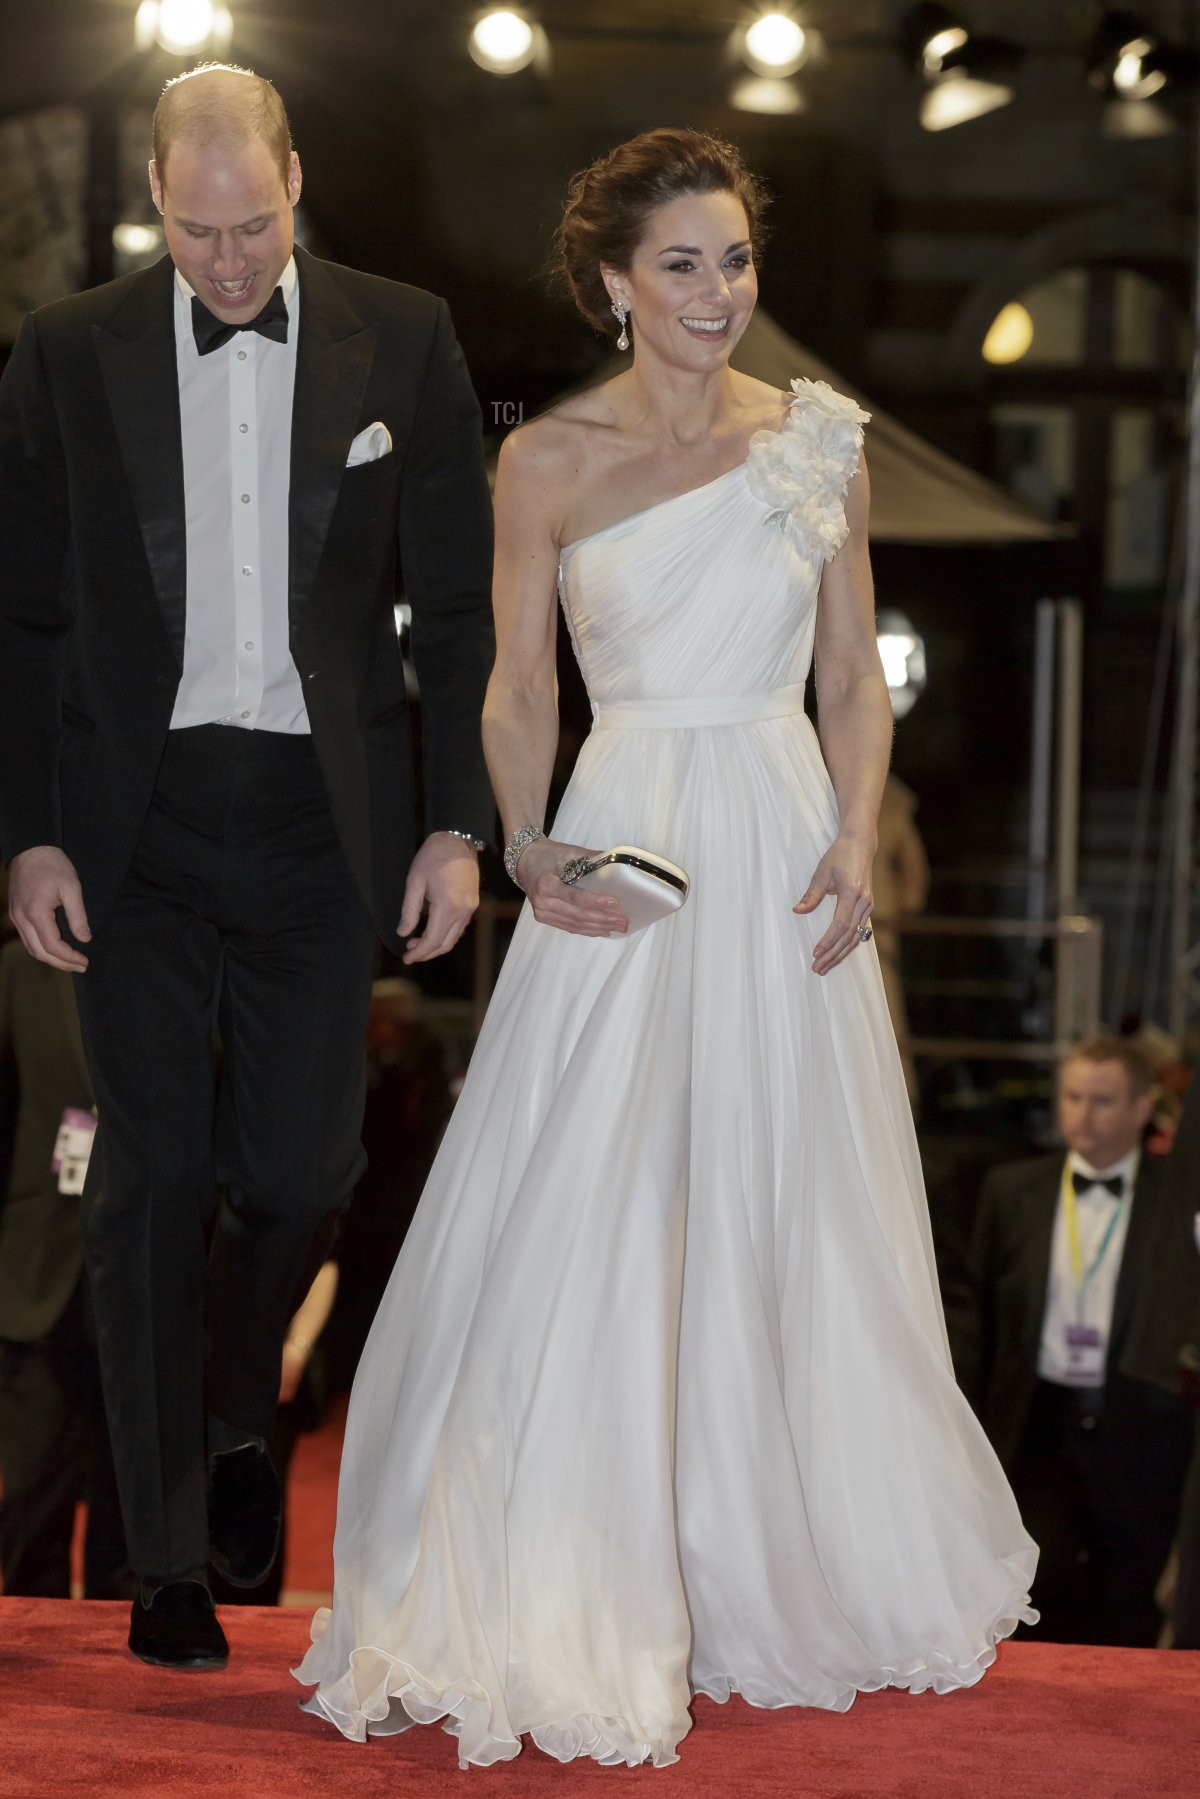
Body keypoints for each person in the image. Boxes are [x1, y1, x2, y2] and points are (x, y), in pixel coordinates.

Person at [295, 129, 1035, 1769]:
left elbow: (856, 678)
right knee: (597, 1189)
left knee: (781, 1197)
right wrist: (523, 838)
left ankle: (767, 1551)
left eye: (737, 260)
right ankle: (576, 1556)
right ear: (616, 281)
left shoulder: (819, 442)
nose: (718, 293)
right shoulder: (545, 458)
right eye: (683, 264)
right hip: (621, 842)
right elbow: (509, 686)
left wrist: (852, 831)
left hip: (778, 836)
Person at [0, 65, 494, 1669]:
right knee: (145, 1181)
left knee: (297, 1174)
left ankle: (233, 1415)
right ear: (154, 191)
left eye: (257, 225)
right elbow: (17, 615)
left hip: (315, 818)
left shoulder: (401, 336)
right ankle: (162, 1561)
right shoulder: (67, 350)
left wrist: (456, 821)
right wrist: (26, 832)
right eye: (197, 230)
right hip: (130, 825)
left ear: (295, 175)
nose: (229, 261)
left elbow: (460, 600)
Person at [944, 1036, 1197, 1646]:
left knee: (1130, 1591)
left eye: (1103, 1100)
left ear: (1143, 1108)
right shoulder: (1012, 1189)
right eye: (1073, 1097)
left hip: (1138, 1421)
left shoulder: (1179, 1199)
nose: (1083, 1114)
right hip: (1038, 1420)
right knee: (1035, 1582)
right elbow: (975, 1311)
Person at [0, 933, 131, 1600]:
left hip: (145, 1269)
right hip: (37, 1268)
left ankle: (126, 1682)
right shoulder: (19, 966)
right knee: (30, 1503)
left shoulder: (185, 947)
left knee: (133, 1521)